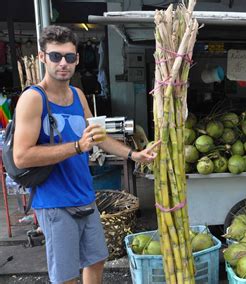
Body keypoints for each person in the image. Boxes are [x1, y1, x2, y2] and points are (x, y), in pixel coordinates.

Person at [12, 25, 159, 284]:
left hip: (84, 196)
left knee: (96, 259)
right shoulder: (33, 99)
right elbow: (22, 157)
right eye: (55, 56)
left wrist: (133, 155)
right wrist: (77, 147)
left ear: (77, 59)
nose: (63, 63)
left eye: (69, 57)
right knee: (66, 274)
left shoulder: (78, 95)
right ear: (42, 57)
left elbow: (98, 137)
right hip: (54, 202)